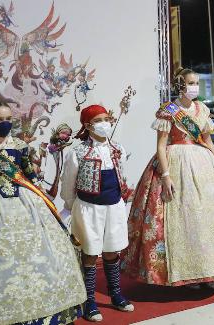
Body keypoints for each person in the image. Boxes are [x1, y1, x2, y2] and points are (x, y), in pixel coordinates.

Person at [122, 68, 214, 289]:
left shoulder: (203, 109)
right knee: (184, 218)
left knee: (206, 218)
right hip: (176, 161)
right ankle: (189, 272)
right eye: (190, 83)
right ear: (180, 85)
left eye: (196, 82)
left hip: (203, 164)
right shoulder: (168, 110)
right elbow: (161, 145)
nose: (194, 86)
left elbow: (207, 141)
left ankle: (211, 270)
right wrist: (166, 175)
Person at [0, 100, 86, 325]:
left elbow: (29, 174)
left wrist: (41, 196)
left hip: (25, 202)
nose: (5, 124)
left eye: (8, 119)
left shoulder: (19, 145)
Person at [61, 104, 134, 322]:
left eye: (107, 119)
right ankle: (90, 299)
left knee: (112, 251)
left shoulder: (116, 148)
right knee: (91, 253)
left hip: (113, 206)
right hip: (88, 208)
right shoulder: (78, 151)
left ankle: (115, 294)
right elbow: (68, 182)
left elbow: (123, 174)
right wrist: (71, 205)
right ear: (87, 125)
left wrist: (122, 197)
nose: (105, 124)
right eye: (99, 120)